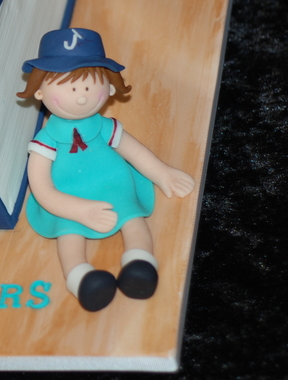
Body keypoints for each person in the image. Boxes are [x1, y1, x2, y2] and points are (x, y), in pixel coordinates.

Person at [17, 28, 194, 311]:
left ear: (110, 88)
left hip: (114, 185)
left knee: (132, 218)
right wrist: (80, 211)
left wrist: (163, 173)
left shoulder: (103, 126)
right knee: (69, 232)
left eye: (89, 87)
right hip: (67, 198)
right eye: (70, 88)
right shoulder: (45, 141)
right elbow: (42, 189)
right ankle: (81, 279)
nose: (81, 98)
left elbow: (133, 151)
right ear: (39, 91)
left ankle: (140, 264)